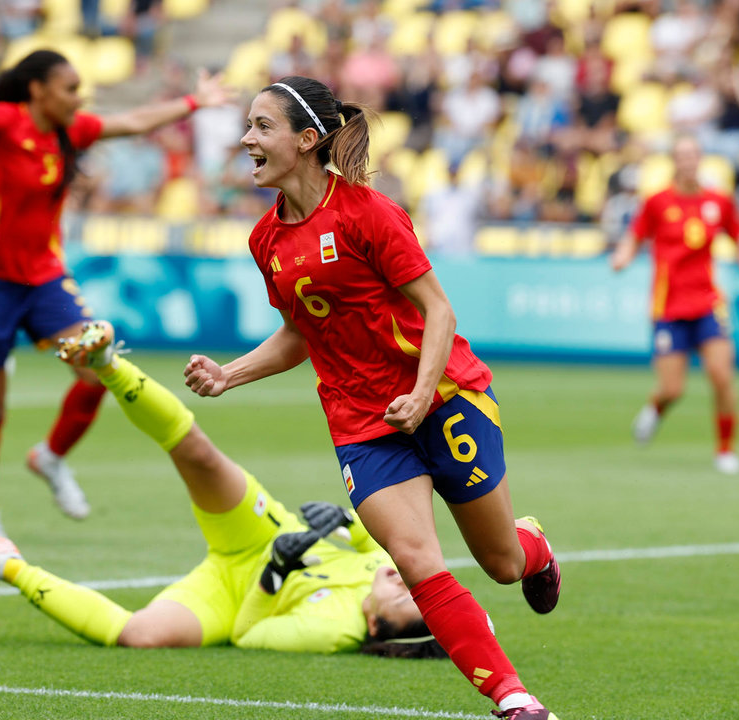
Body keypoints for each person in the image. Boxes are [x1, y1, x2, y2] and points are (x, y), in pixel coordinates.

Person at [183, 76, 561, 720]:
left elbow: (437, 313)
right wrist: (229, 375)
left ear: (307, 140)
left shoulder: (369, 213)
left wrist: (418, 396)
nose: (246, 139)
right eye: (248, 126)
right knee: (416, 562)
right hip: (361, 422)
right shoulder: (265, 241)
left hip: (443, 397)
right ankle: (514, 700)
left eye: (261, 127)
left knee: (500, 563)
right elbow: (301, 334)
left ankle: (535, 548)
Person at [0, 321, 448, 659]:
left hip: (231, 596)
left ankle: (4, 563)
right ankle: (109, 363)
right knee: (197, 452)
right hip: (260, 531)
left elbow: (248, 634)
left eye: (405, 600)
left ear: (377, 628)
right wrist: (341, 518)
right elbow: (368, 538)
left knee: (140, 636)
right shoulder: (385, 566)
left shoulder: (334, 631)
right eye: (416, 589)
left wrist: (273, 578)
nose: (407, 583)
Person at [0, 47, 232, 542]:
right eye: (70, 88)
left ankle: (51, 458)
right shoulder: (2, 122)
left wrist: (193, 102)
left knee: (97, 366)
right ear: (38, 90)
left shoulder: (70, 131)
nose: (80, 98)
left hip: (45, 281)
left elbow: (135, 120)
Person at [611, 134, 739, 474]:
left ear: (701, 158)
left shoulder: (718, 201)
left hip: (708, 302)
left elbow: (738, 235)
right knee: (672, 387)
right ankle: (655, 409)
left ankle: (725, 450)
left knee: (721, 374)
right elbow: (635, 235)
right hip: (669, 306)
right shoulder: (657, 202)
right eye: (682, 155)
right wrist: (622, 256)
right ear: (674, 161)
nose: (688, 161)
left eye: (693, 154)